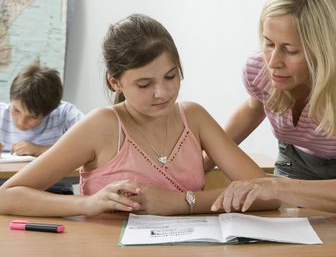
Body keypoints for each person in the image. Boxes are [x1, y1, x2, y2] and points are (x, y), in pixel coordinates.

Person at [0, 14, 278, 217]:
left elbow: (268, 194)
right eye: (144, 84)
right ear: (115, 83)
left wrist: (183, 202)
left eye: (171, 76)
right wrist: (87, 203)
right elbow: (6, 196)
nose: (162, 93)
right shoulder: (101, 125)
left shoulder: (194, 117)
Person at [209, 0, 336, 233]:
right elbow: (254, 109)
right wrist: (199, 163)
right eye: (268, 43)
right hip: (296, 159)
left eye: (290, 50)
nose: (273, 61)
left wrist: (275, 185)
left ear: (324, 50)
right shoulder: (259, 68)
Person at [0, 62, 84, 194]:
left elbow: (88, 148)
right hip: (5, 189)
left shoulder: (64, 114)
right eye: (16, 110)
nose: (21, 122)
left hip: (54, 190)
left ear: (48, 112)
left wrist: (39, 150)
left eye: (32, 117)